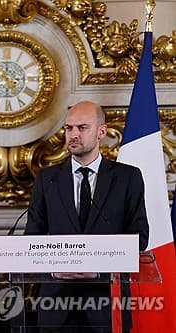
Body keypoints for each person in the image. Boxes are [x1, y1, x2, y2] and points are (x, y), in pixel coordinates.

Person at [24, 101, 149, 333]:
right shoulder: (47, 178)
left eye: (82, 128)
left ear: (101, 132)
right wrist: (53, 270)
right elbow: (33, 237)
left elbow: (139, 239)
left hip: (107, 304)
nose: (73, 135)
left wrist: (98, 271)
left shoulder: (127, 178)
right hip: (56, 306)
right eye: (69, 128)